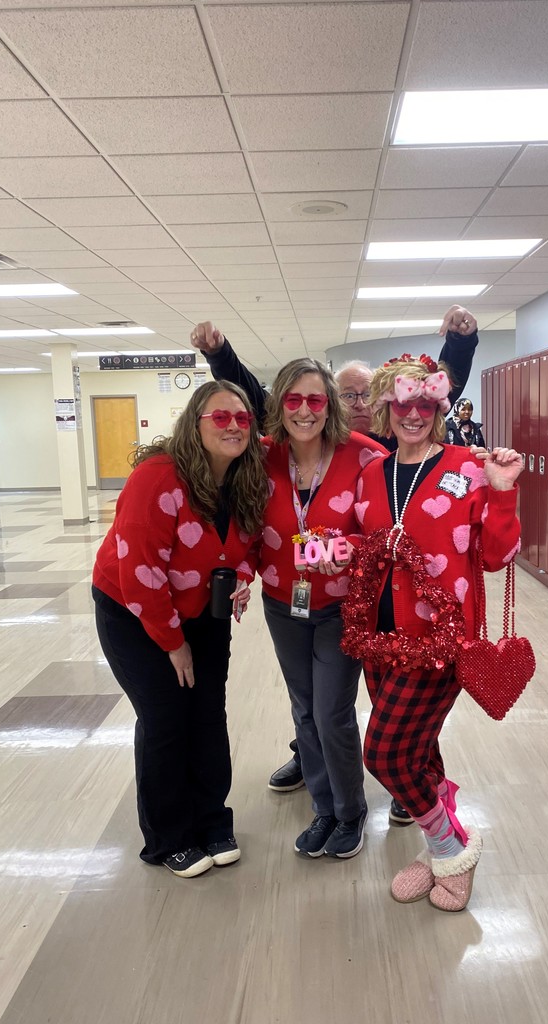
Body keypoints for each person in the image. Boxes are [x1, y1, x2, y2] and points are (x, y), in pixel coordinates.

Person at [192, 306, 482, 815]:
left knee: (355, 713)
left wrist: (459, 348)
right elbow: (257, 409)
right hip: (296, 602)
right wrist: (220, 356)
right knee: (311, 708)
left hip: (369, 607)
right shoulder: (270, 453)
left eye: (339, 398)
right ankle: (324, 772)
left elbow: (427, 400)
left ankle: (401, 786)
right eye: (345, 395)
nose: (317, 408)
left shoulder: (374, 451)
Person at [191, 321, 387, 860]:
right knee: (304, 711)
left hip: (342, 609)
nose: (305, 410)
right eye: (294, 400)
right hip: (284, 605)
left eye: (316, 401)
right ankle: (324, 809)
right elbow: (249, 527)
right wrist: (245, 574)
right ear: (280, 405)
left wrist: (343, 549)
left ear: (331, 407)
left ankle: (351, 814)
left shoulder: (364, 455)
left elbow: (394, 520)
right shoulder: (264, 455)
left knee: (331, 714)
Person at [341, 353, 522, 912]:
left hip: (441, 641)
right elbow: (361, 549)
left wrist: (502, 491)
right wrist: (334, 557)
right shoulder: (372, 474)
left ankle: (451, 849)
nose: (413, 414)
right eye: (402, 404)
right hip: (380, 639)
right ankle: (435, 847)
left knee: (387, 756)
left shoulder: (468, 466)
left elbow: (498, 555)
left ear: (438, 406)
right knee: (419, 752)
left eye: (424, 404)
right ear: (386, 408)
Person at [92, 381, 268, 878]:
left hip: (203, 610)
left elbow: (249, 547)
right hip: (134, 612)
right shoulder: (159, 477)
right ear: (195, 423)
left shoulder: (246, 477)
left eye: (242, 417)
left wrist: (244, 578)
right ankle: (168, 836)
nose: (233, 425)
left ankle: (212, 819)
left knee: (208, 715)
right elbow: (140, 574)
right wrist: (173, 644)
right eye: (220, 416)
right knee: (165, 718)